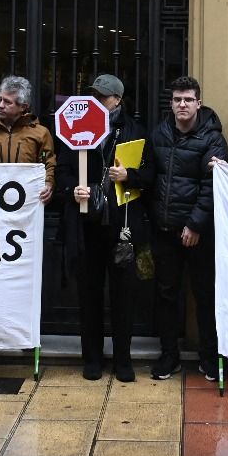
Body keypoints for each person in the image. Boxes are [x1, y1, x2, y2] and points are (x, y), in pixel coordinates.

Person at [58, 73, 148, 383]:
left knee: (123, 295)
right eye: (93, 95)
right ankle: (92, 359)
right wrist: (73, 190)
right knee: (89, 294)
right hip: (87, 226)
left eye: (103, 97)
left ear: (118, 100)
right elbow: (64, 172)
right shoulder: (75, 131)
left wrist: (130, 176)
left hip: (121, 227)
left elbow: (151, 177)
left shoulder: (136, 131)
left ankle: (123, 360)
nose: (96, 101)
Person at [145, 76, 227, 381]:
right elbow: (152, 175)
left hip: (198, 233)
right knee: (166, 295)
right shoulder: (160, 134)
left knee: (204, 295)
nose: (182, 105)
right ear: (171, 103)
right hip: (165, 229)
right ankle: (169, 357)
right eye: (177, 99)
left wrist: (195, 224)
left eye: (188, 100)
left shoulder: (213, 138)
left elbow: (211, 185)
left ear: (198, 103)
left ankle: (208, 356)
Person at [0, 76, 55, 203]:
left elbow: (48, 162)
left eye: (7, 102)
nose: (1, 105)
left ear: (23, 107)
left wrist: (48, 183)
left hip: (27, 200)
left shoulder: (40, 133)